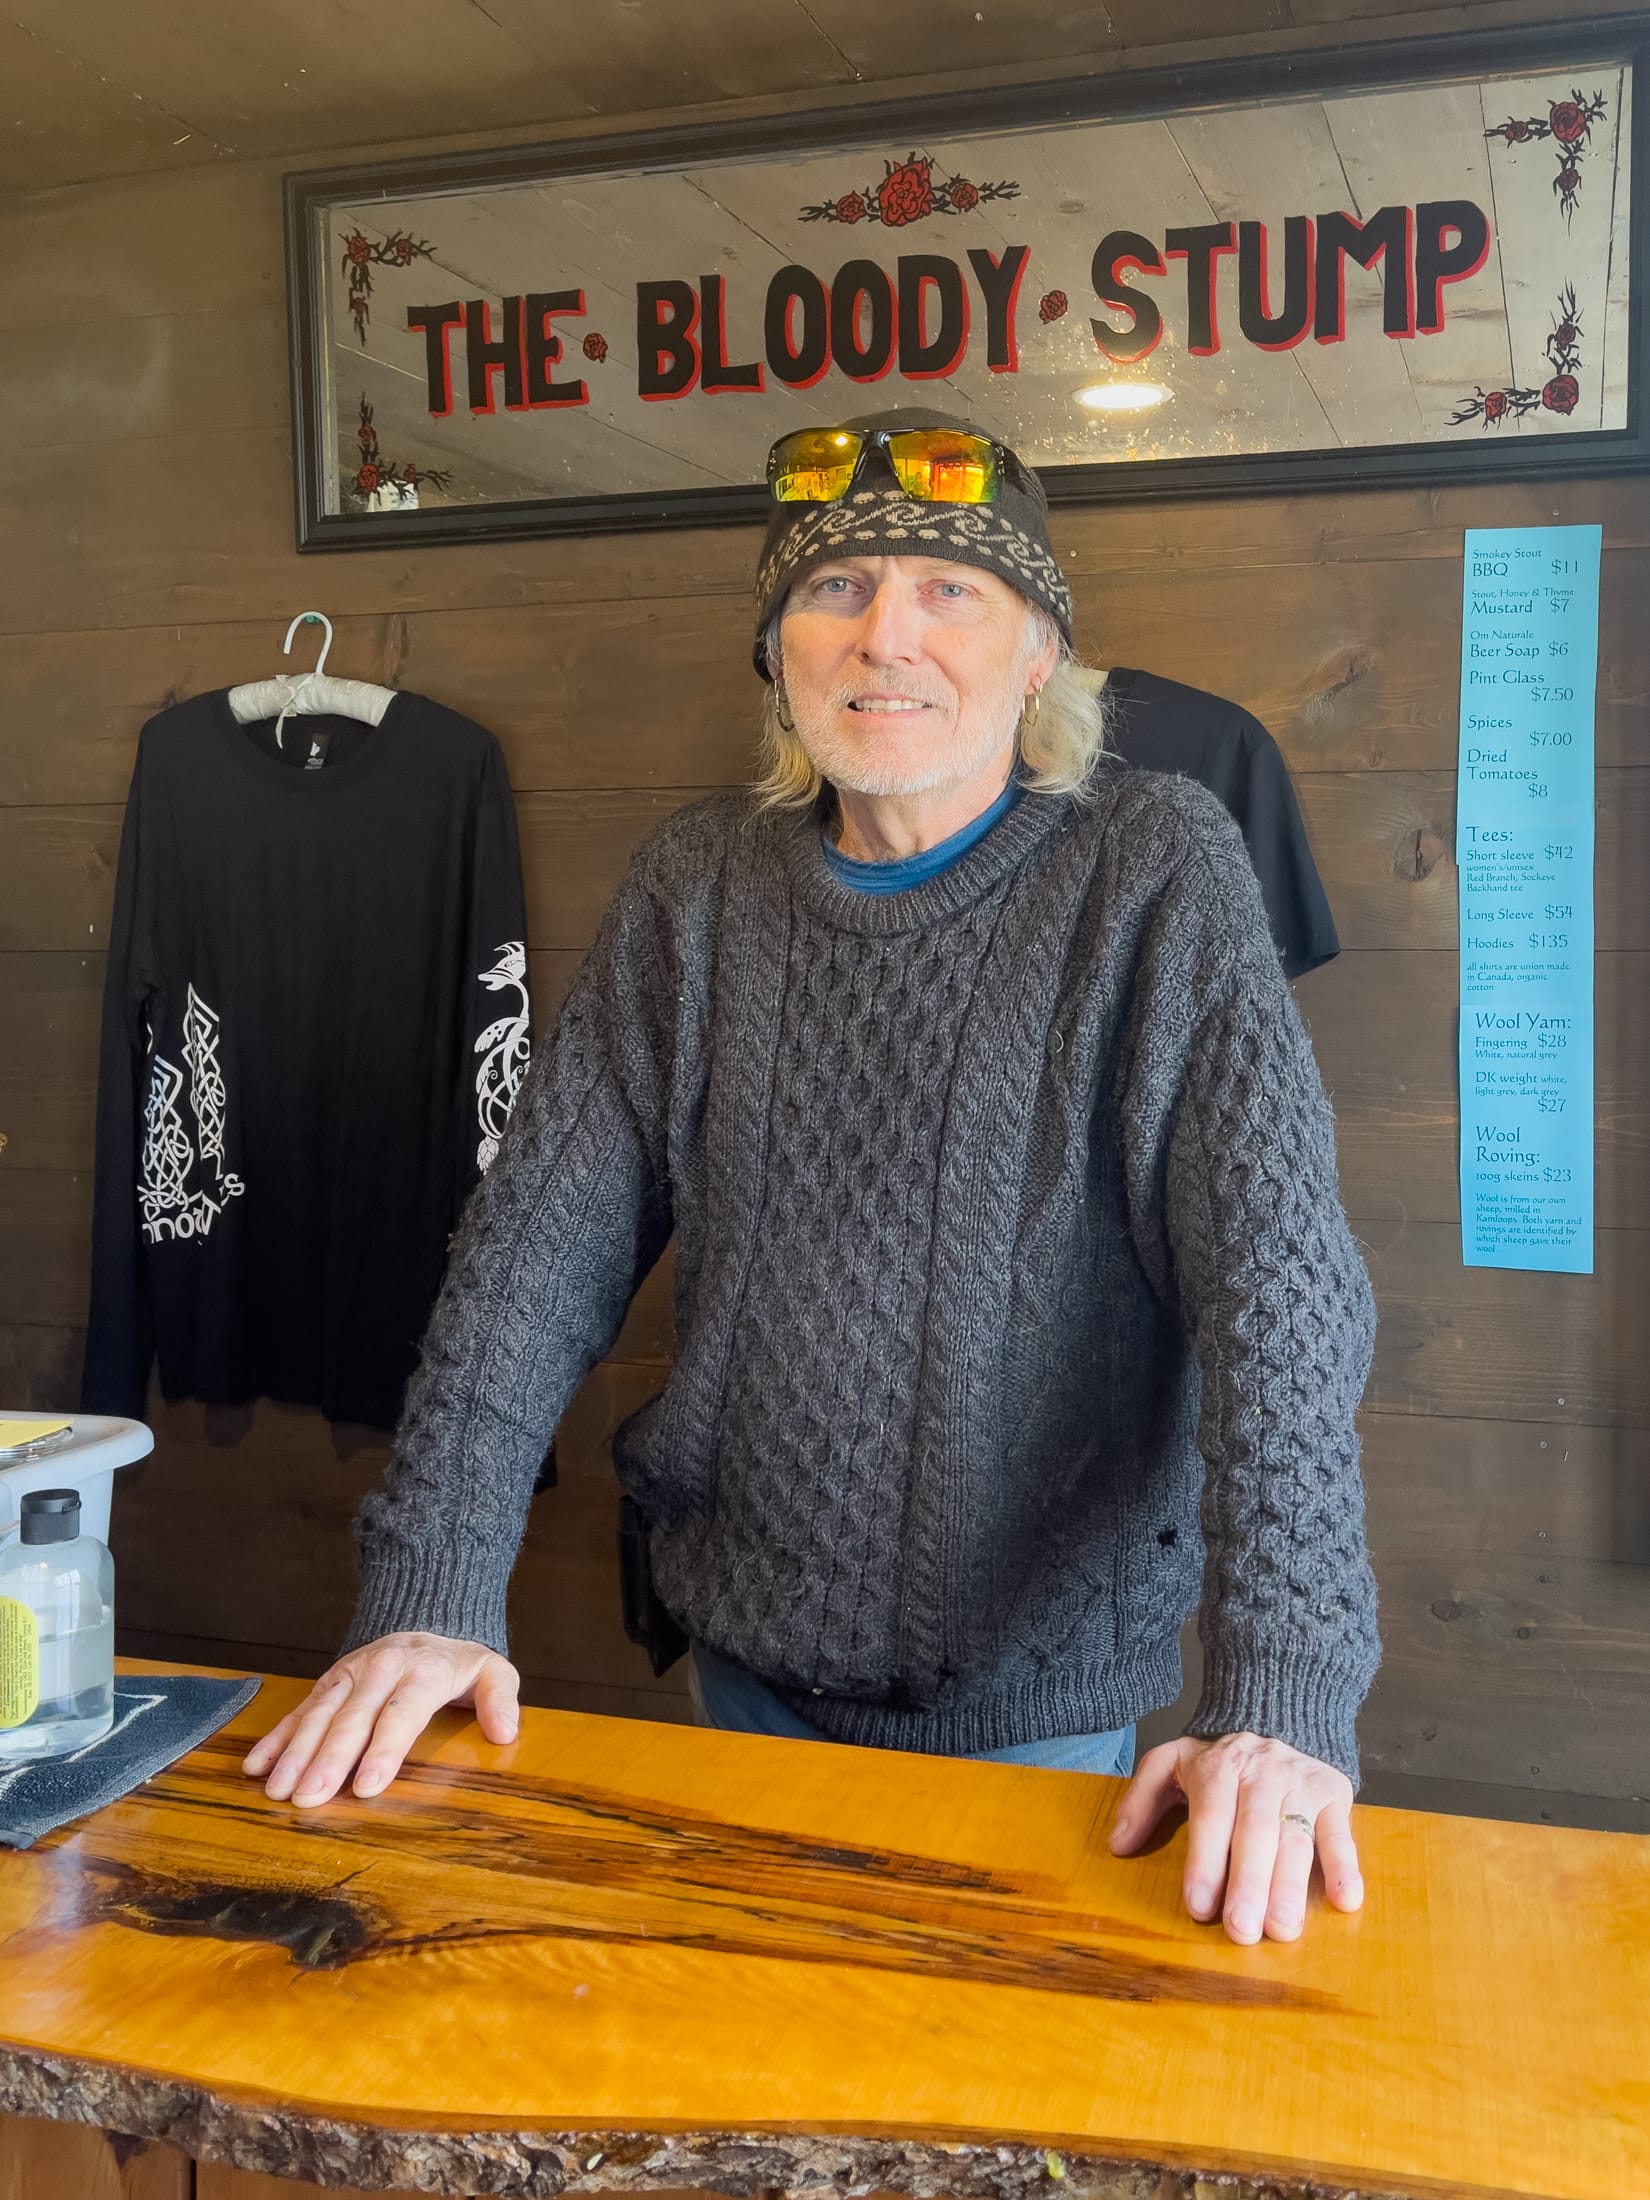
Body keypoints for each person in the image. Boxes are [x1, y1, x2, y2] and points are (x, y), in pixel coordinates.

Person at [244, 407, 1380, 1948]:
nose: (882, 637)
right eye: (834, 593)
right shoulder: (695, 886)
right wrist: (429, 1588)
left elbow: (1278, 1288)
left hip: (1036, 1714)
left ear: (1038, 653)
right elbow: (532, 1257)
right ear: (776, 652)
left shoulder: (1152, 870)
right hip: (742, 1661)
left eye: (946, 593)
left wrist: (1284, 1692)